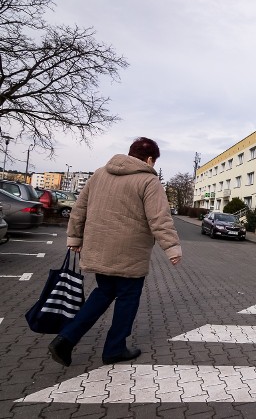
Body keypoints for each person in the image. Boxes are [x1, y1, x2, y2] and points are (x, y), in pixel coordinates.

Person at [48, 137, 182, 366]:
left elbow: (79, 208)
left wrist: (75, 237)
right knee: (127, 299)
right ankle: (114, 348)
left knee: (103, 293)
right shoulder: (149, 181)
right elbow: (159, 218)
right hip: (130, 254)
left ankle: (65, 339)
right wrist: (171, 247)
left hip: (99, 249)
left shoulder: (99, 174)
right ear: (150, 159)